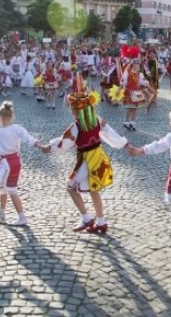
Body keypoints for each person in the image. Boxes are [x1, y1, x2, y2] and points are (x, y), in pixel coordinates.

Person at [42, 74, 128, 233]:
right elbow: (109, 133)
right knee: (94, 189)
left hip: (86, 160)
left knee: (70, 187)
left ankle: (87, 218)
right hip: (98, 156)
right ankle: (101, 221)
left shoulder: (75, 127)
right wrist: (124, 144)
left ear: (75, 110)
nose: (70, 110)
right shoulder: (96, 119)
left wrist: (48, 147)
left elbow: (63, 144)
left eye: (71, 108)